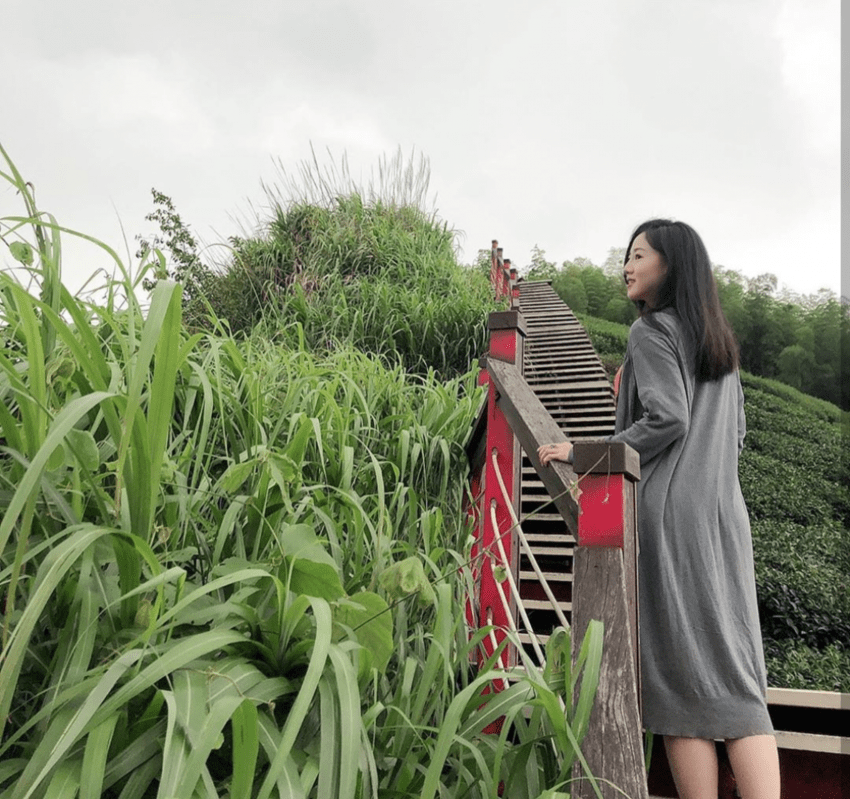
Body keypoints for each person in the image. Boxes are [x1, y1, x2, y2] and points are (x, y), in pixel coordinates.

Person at [537, 219, 780, 799]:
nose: (626, 264)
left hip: (670, 519)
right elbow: (734, 433)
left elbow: (669, 418)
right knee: (739, 679)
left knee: (675, 683)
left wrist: (582, 453)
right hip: (724, 518)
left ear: (670, 266)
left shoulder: (650, 332)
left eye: (638, 254)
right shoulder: (719, 344)